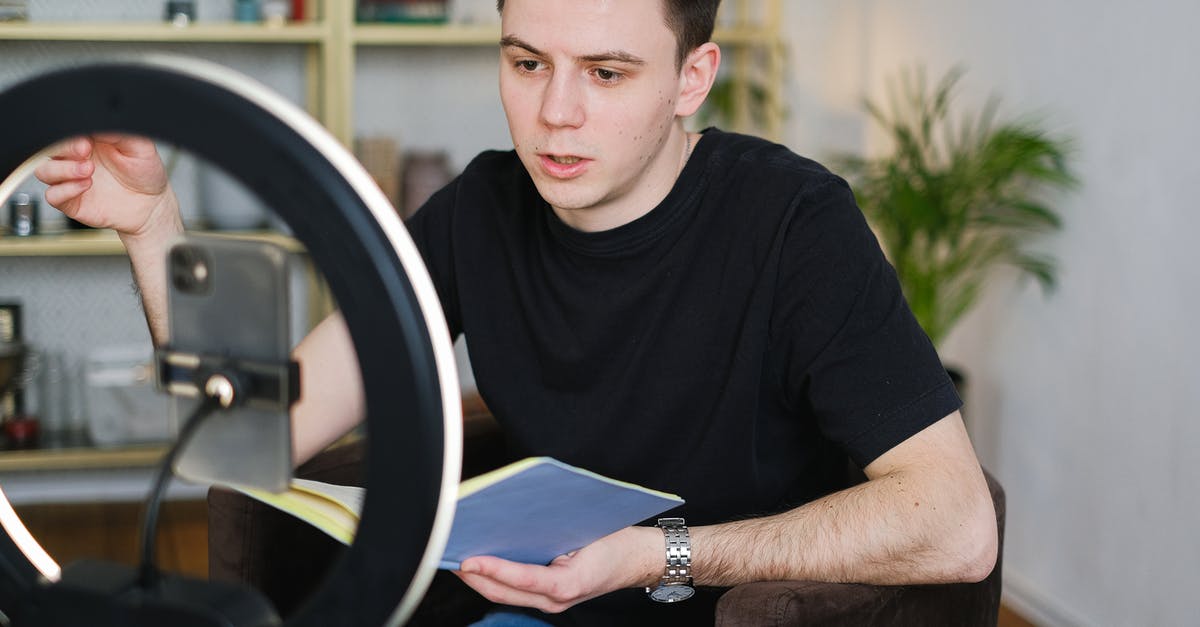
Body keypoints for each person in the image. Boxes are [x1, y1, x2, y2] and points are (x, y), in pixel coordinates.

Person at [36, 0, 998, 624]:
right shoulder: (480, 209)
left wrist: (655, 557)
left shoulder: (796, 223)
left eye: (607, 73)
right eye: (527, 62)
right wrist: (151, 225)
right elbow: (254, 437)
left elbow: (954, 521)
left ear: (691, 80)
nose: (555, 114)